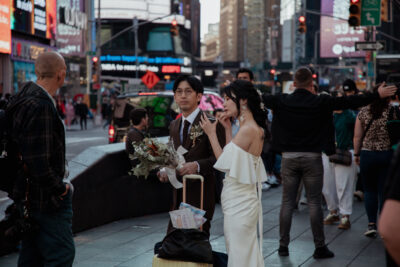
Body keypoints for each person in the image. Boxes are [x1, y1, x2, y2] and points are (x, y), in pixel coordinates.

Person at [262, 67, 397, 258]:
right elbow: (350, 101)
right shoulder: (321, 101)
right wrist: (376, 94)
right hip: (313, 157)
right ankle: (319, 247)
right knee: (315, 202)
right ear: (311, 83)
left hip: (288, 157)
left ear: (294, 83)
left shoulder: (281, 100)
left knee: (286, 202)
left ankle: (283, 246)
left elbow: (256, 97)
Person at [7, 51, 75, 266]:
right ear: (61, 75)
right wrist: (59, 188)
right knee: (61, 255)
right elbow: (38, 162)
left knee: (32, 257)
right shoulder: (42, 106)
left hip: (27, 195)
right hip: (45, 200)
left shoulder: (22, 97)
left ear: (37, 72)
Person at [200, 80, 268, 267]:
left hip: (239, 201)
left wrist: (212, 133)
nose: (224, 103)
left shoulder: (248, 129)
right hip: (241, 199)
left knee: (238, 252)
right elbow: (233, 156)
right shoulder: (251, 128)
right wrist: (228, 129)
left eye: (228, 98)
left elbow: (223, 162)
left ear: (243, 101)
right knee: (242, 250)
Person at [157, 75, 225, 237]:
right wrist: (163, 169)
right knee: (174, 242)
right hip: (177, 195)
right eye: (179, 92)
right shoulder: (174, 125)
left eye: (188, 91)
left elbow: (220, 158)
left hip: (200, 194)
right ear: (174, 96)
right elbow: (171, 155)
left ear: (199, 96)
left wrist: (197, 165)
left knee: (195, 244)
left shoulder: (211, 123)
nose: (183, 96)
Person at [353, 82, 398, 238]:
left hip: (367, 155)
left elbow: (357, 136)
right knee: (383, 191)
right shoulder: (393, 111)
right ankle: (385, 225)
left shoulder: (363, 112)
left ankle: (371, 224)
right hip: (386, 155)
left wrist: (357, 154)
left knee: (369, 190)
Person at [322, 91, 357, 230]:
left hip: (345, 152)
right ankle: (333, 211)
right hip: (326, 153)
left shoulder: (349, 116)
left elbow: (357, 133)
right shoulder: (327, 115)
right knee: (327, 186)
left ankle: (345, 215)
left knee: (344, 186)